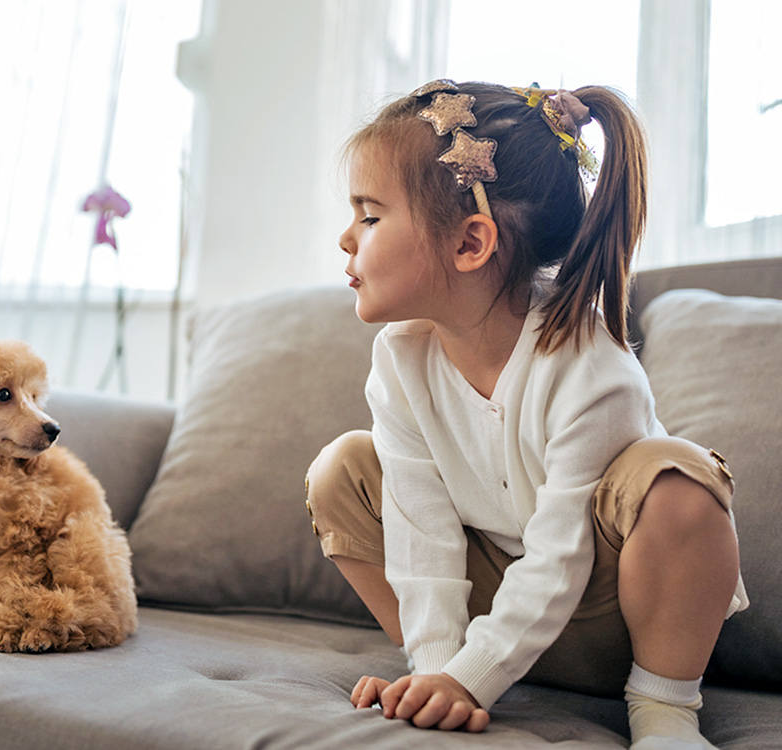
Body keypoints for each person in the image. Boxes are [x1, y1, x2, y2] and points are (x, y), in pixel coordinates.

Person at [305, 80, 748, 750]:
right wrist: (441, 677)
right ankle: (460, 669)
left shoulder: (589, 368)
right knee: (343, 468)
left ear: (469, 244)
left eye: (369, 216)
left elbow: (562, 555)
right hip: (497, 617)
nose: (347, 237)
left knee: (680, 481)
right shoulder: (399, 359)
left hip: (611, 620)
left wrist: (472, 678)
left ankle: (664, 709)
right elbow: (422, 536)